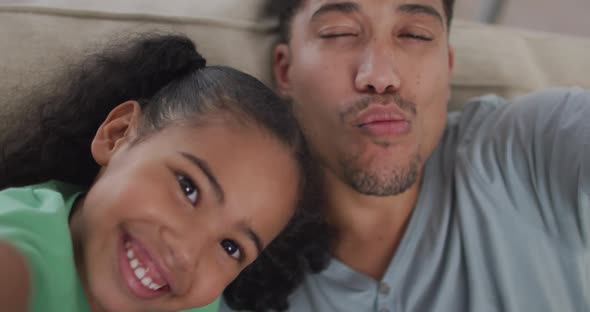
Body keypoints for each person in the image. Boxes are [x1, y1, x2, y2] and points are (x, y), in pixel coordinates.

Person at [220, 0, 590, 311]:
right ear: (285, 71)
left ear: (448, 66)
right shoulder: (228, 242)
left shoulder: (531, 148)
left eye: (414, 35)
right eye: (340, 33)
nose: (380, 77)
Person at [0, 33, 325, 312]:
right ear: (118, 134)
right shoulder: (19, 250)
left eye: (230, 247)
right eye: (189, 188)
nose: (186, 254)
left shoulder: (186, 296)